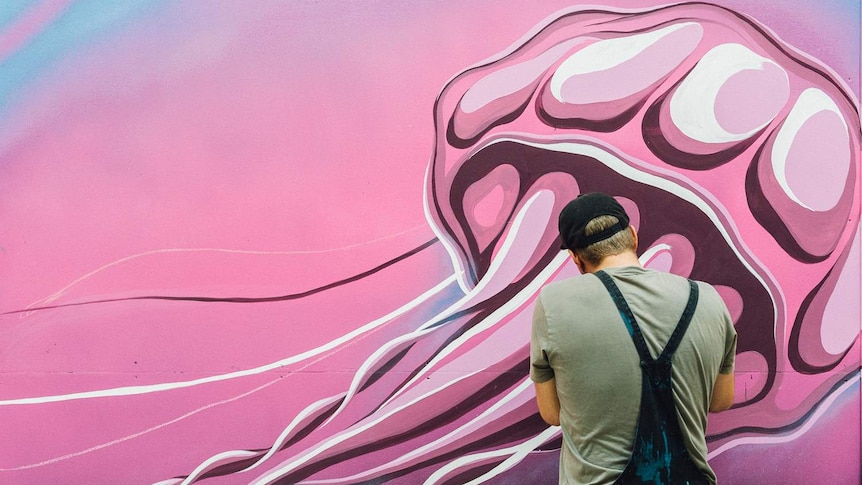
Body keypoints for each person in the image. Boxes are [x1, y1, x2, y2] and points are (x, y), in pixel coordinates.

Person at [530, 192, 737, 484]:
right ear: (633, 236)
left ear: (576, 258)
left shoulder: (553, 303)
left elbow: (552, 413)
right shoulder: (707, 298)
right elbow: (721, 400)